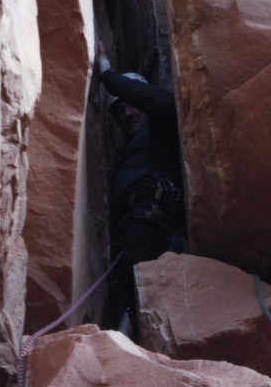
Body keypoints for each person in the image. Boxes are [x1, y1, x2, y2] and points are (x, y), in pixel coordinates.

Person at [98, 43, 186, 331]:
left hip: (152, 204)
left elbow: (161, 103)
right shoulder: (131, 152)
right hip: (137, 217)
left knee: (141, 279)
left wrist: (108, 76)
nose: (127, 113)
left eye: (132, 103)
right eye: (120, 110)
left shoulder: (162, 127)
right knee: (133, 284)